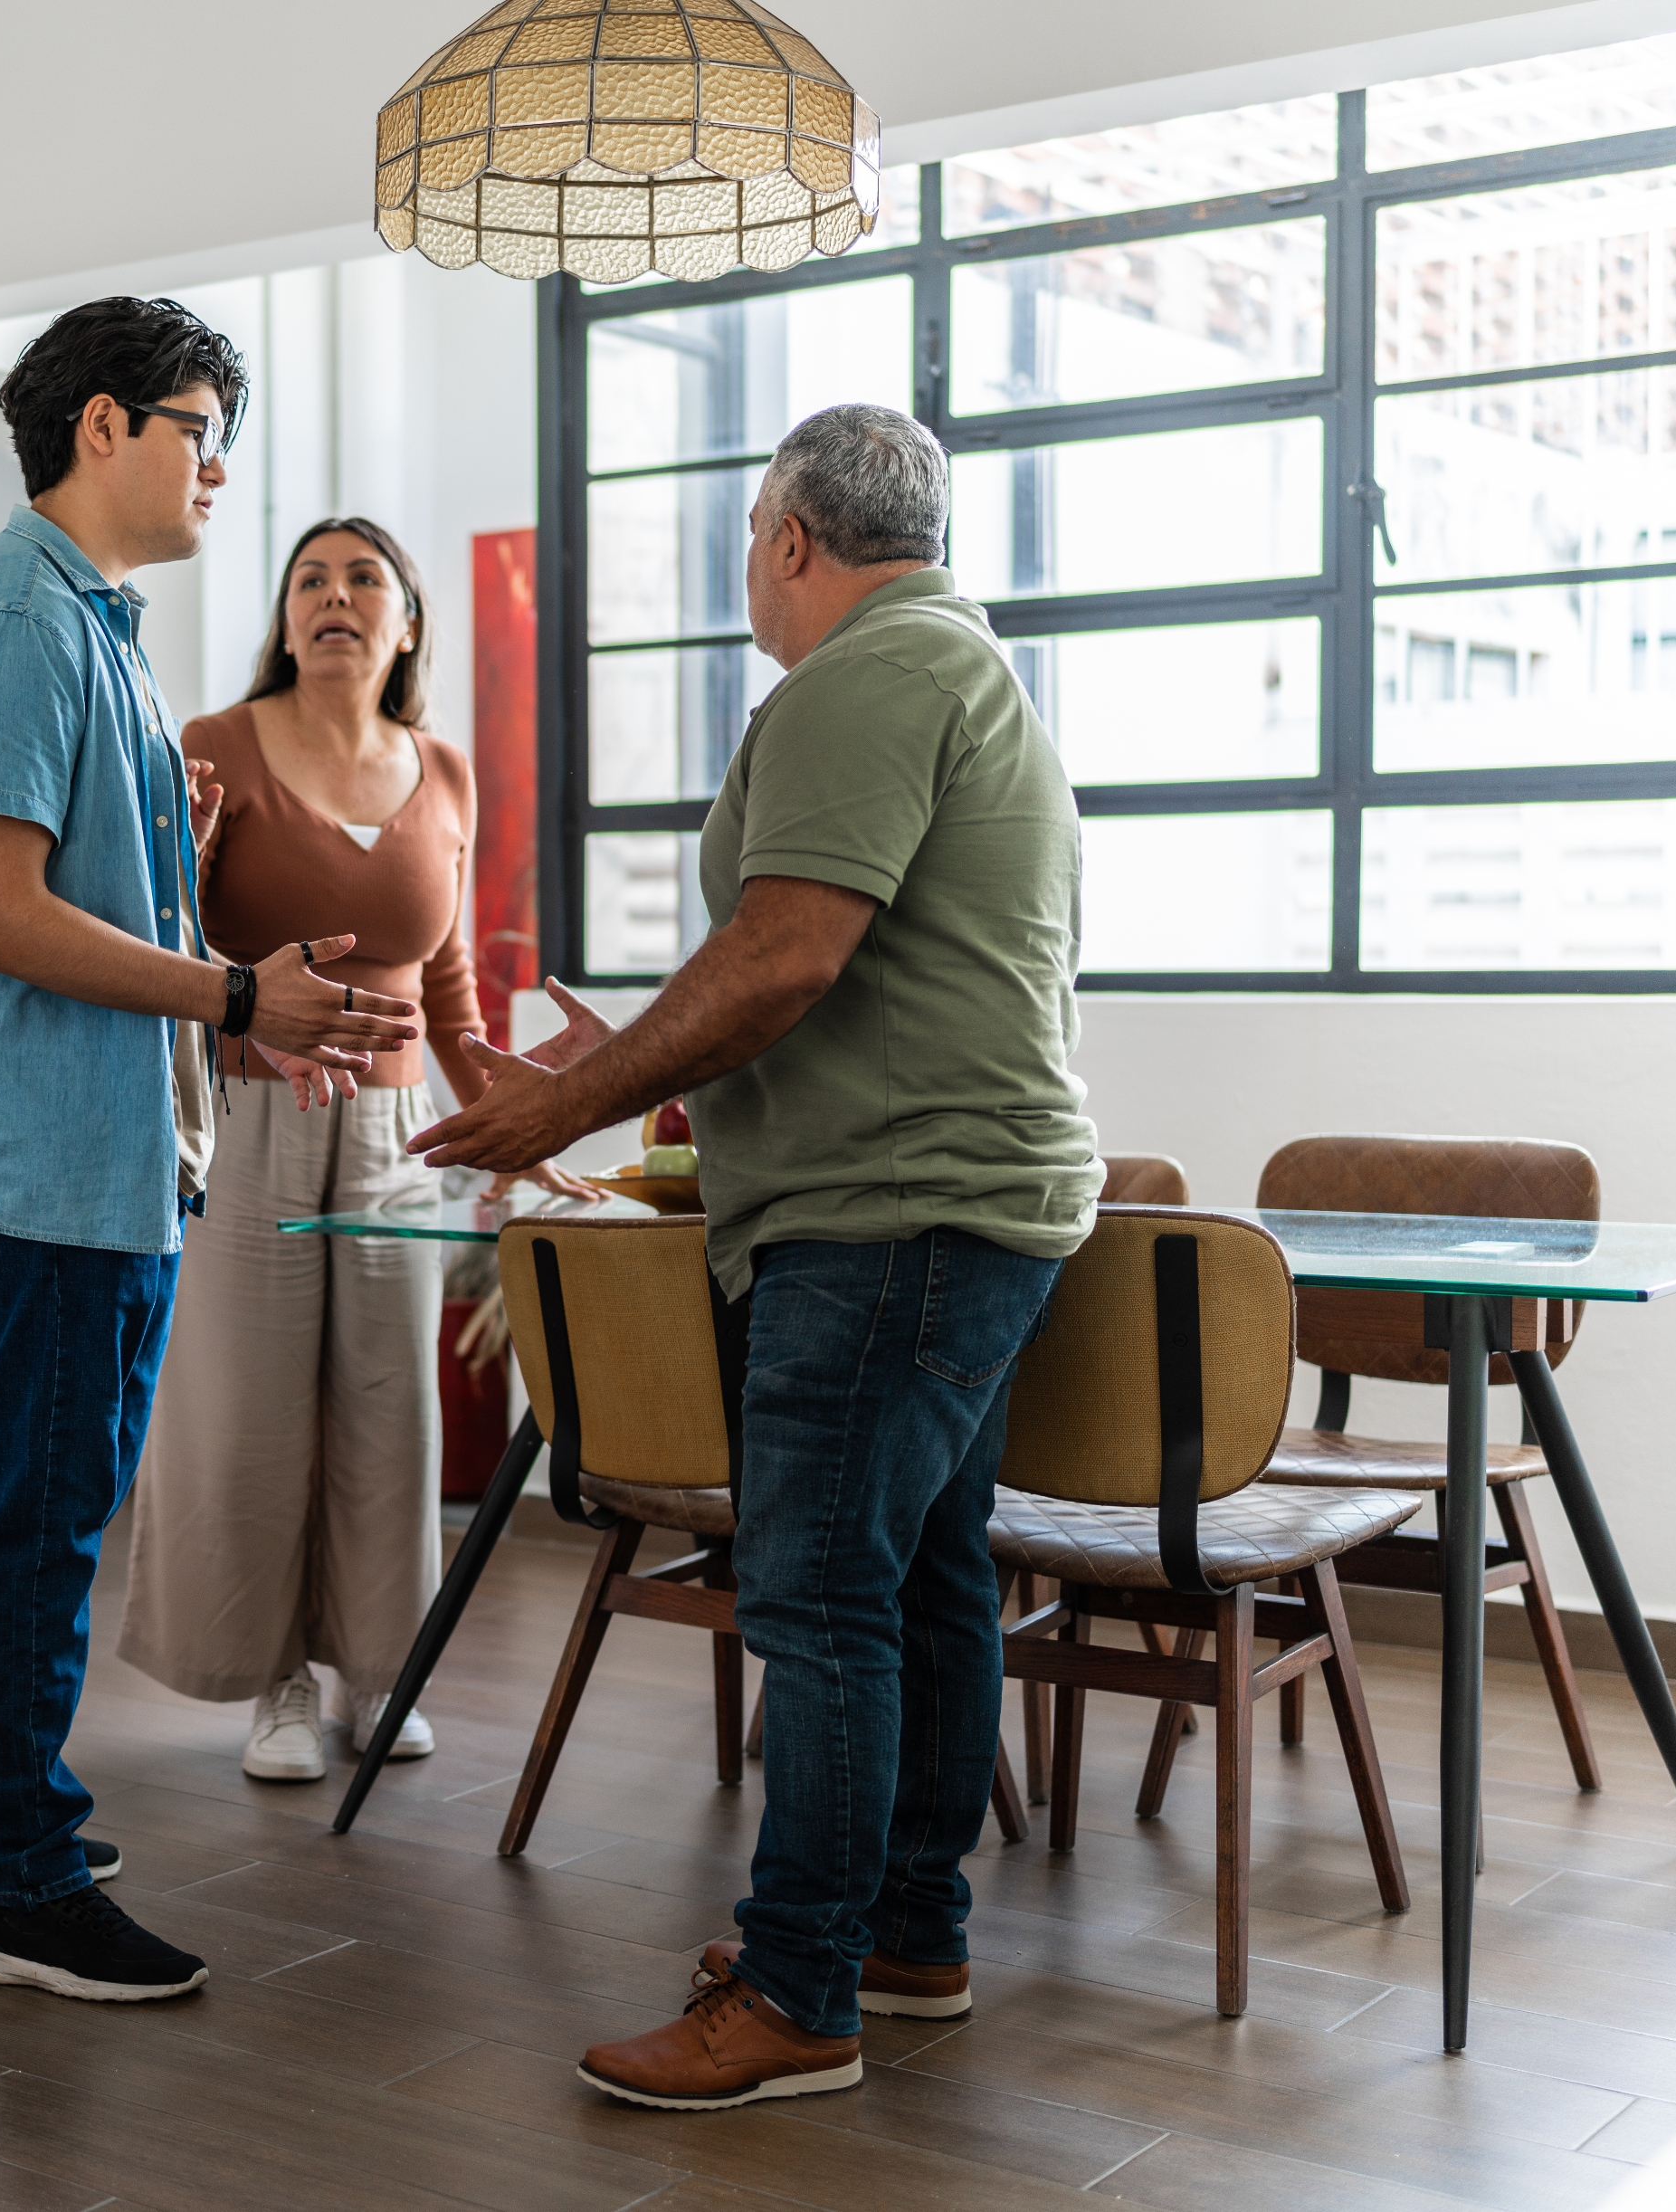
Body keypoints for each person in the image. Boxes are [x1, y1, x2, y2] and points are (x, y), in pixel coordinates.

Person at [412, 402, 1098, 2106]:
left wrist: (568, 1102)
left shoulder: (862, 676)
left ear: (790, 538)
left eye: (745, 542)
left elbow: (785, 956)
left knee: (815, 1602)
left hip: (888, 1223)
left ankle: (798, 1994)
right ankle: (901, 1938)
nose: (744, 575)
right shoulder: (953, 663)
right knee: (923, 1585)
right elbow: (809, 973)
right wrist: (616, 1060)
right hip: (952, 1210)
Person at [0, 298, 421, 2004]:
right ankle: (17, 1892)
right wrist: (236, 987)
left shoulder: (95, 626)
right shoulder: (26, 626)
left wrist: (169, 874)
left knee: (49, 1501)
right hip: (41, 1153)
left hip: (102, 1145)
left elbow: (63, 887)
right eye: (198, 428)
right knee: (44, 1517)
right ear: (102, 427)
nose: (217, 470)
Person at [118, 517, 590, 1781]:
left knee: (392, 1407)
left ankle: (379, 1672)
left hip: (390, 1132)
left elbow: (449, 999)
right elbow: (161, 935)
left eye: (363, 578)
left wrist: (522, 1122)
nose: (333, 597)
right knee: (249, 1409)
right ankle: (270, 1682)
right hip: (247, 1114)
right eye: (309, 580)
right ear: (283, 621)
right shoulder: (212, 746)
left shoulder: (442, 770)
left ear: (406, 623)